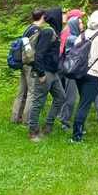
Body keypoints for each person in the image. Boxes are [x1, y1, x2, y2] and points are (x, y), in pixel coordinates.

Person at [70, 10, 98, 143]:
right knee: (84, 104)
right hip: (94, 75)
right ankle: (76, 136)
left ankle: (80, 129)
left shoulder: (82, 35)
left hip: (79, 73)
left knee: (83, 100)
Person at [27, 8, 67, 142]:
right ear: (56, 17)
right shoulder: (48, 32)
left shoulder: (55, 32)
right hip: (45, 72)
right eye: (62, 14)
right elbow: (38, 54)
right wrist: (41, 73)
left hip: (53, 73)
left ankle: (48, 126)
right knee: (38, 102)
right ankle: (33, 132)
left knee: (61, 97)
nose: (64, 16)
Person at [10, 9, 44, 124]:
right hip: (30, 64)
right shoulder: (37, 31)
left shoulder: (27, 29)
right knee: (31, 92)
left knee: (21, 92)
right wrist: (36, 65)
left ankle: (15, 117)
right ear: (42, 17)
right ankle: (27, 119)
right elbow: (33, 50)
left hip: (22, 63)